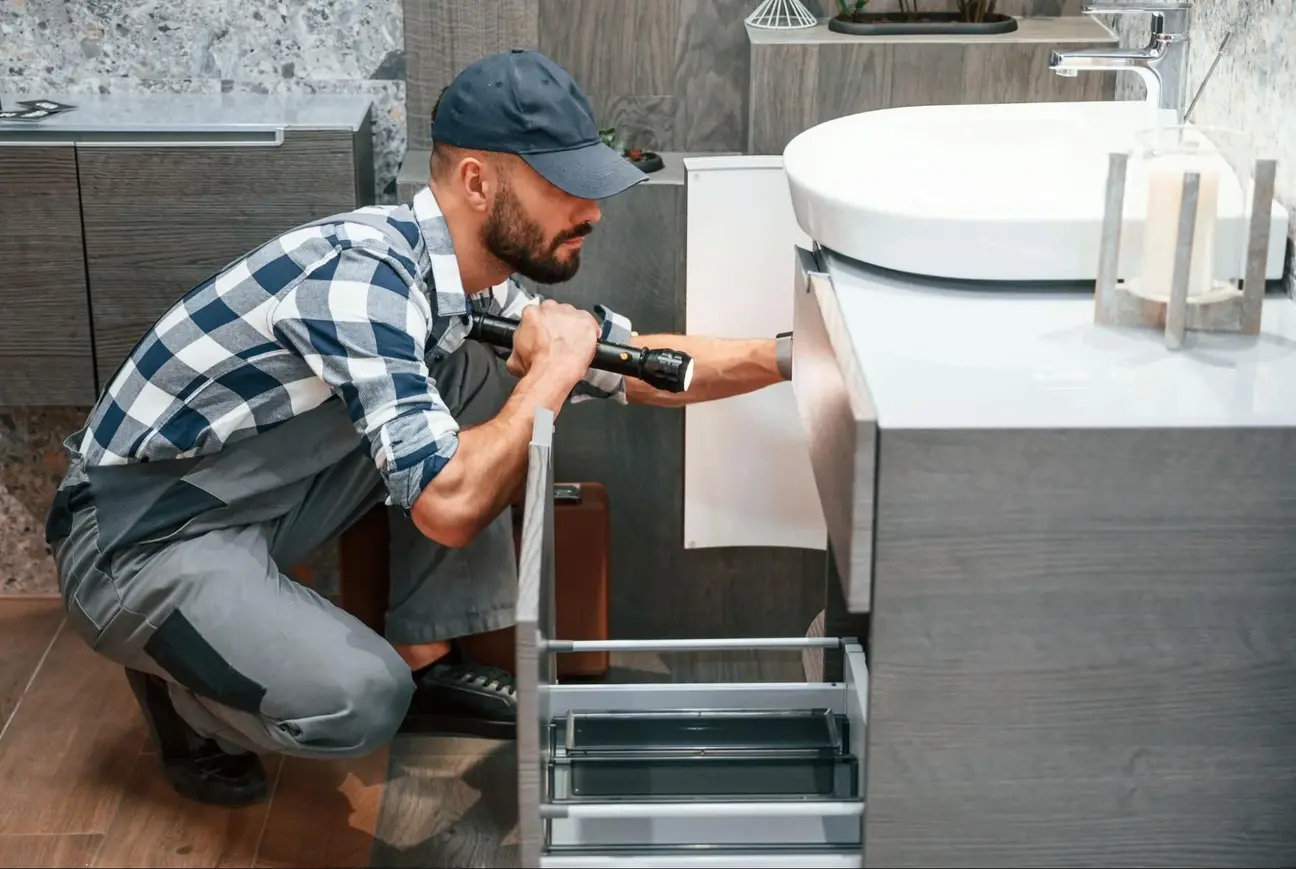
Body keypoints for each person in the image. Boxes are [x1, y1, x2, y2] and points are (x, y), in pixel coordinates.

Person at [44, 49, 795, 810]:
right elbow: (448, 505)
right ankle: (181, 690)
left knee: (470, 365)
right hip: (135, 537)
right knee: (361, 699)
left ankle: (427, 651)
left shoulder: (460, 282)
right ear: (477, 182)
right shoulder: (363, 279)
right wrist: (550, 373)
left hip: (249, 503)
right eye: (566, 187)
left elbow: (634, 363)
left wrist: (794, 357)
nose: (593, 211)